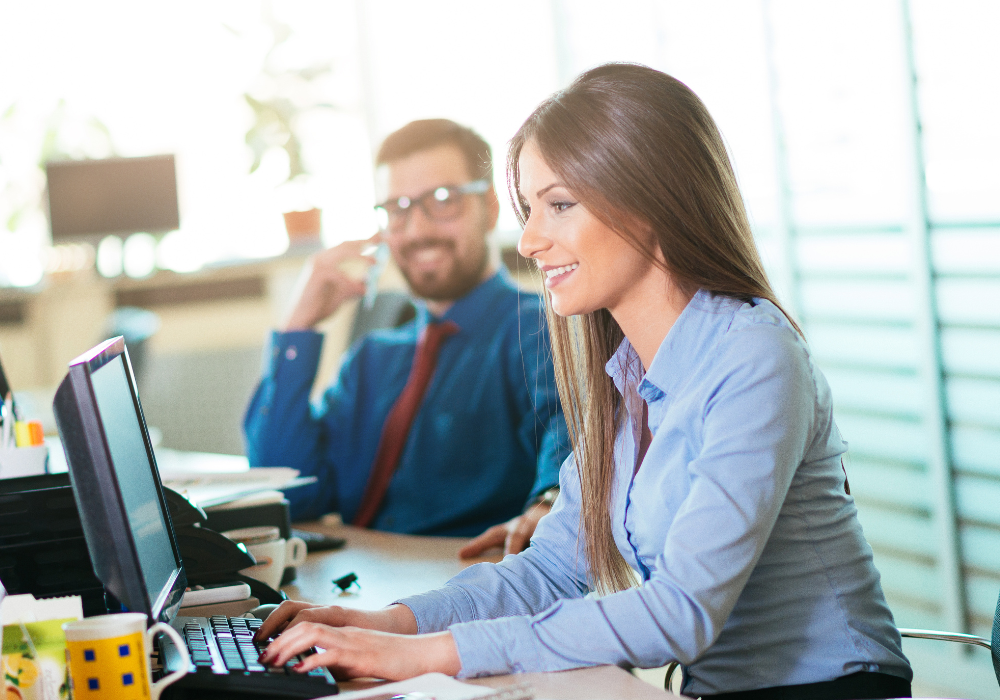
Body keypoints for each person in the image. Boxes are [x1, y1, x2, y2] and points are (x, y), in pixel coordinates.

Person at [252, 64, 913, 699]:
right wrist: (389, 624)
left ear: (646, 204)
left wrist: (425, 654)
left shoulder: (755, 356)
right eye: (530, 209)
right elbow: (554, 567)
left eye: (558, 205)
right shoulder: (625, 372)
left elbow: (681, 613)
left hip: (833, 689)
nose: (530, 241)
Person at [244, 119, 568, 551]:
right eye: (397, 208)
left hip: (463, 586)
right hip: (362, 585)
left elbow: (575, 432)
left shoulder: (541, 330)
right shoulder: (372, 360)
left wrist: (551, 502)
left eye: (442, 200)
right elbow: (288, 494)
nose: (416, 230)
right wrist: (297, 329)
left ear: (489, 208)